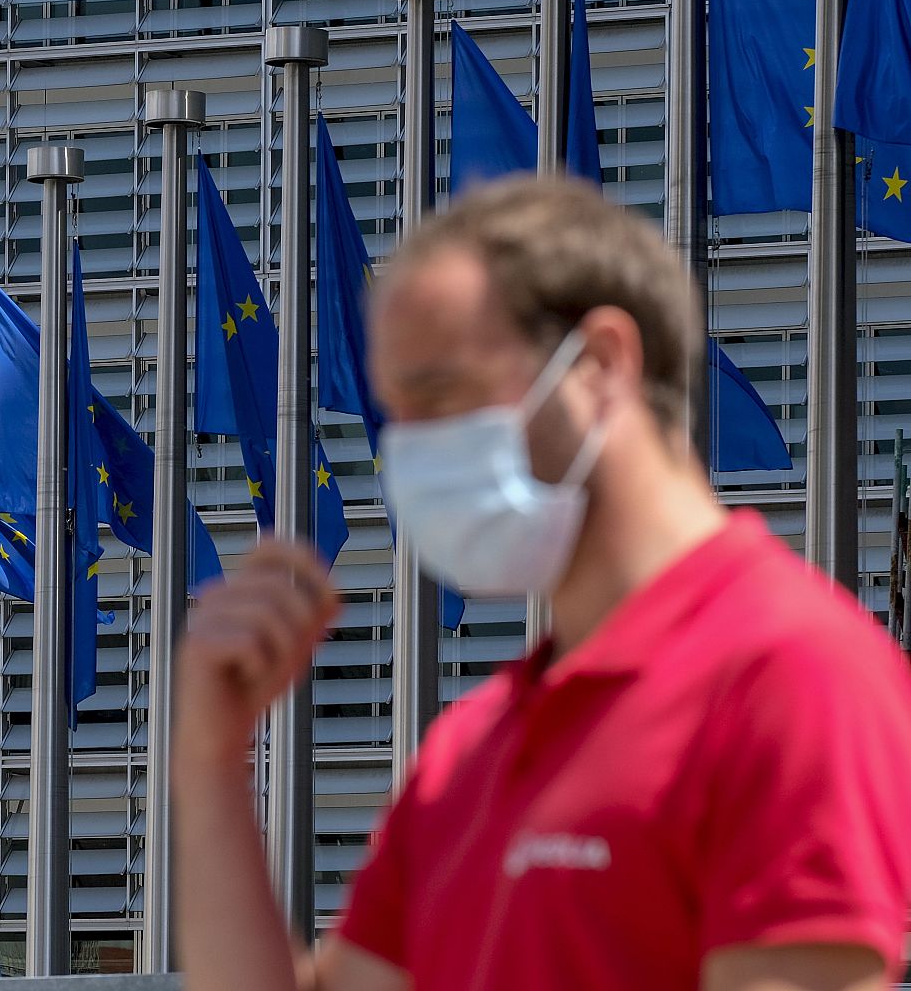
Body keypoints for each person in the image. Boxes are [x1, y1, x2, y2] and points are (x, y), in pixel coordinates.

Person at [173, 177, 911, 991]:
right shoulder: (473, 747)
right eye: (396, 415)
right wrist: (209, 761)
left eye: (442, 394)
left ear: (599, 366)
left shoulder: (793, 676)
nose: (409, 452)